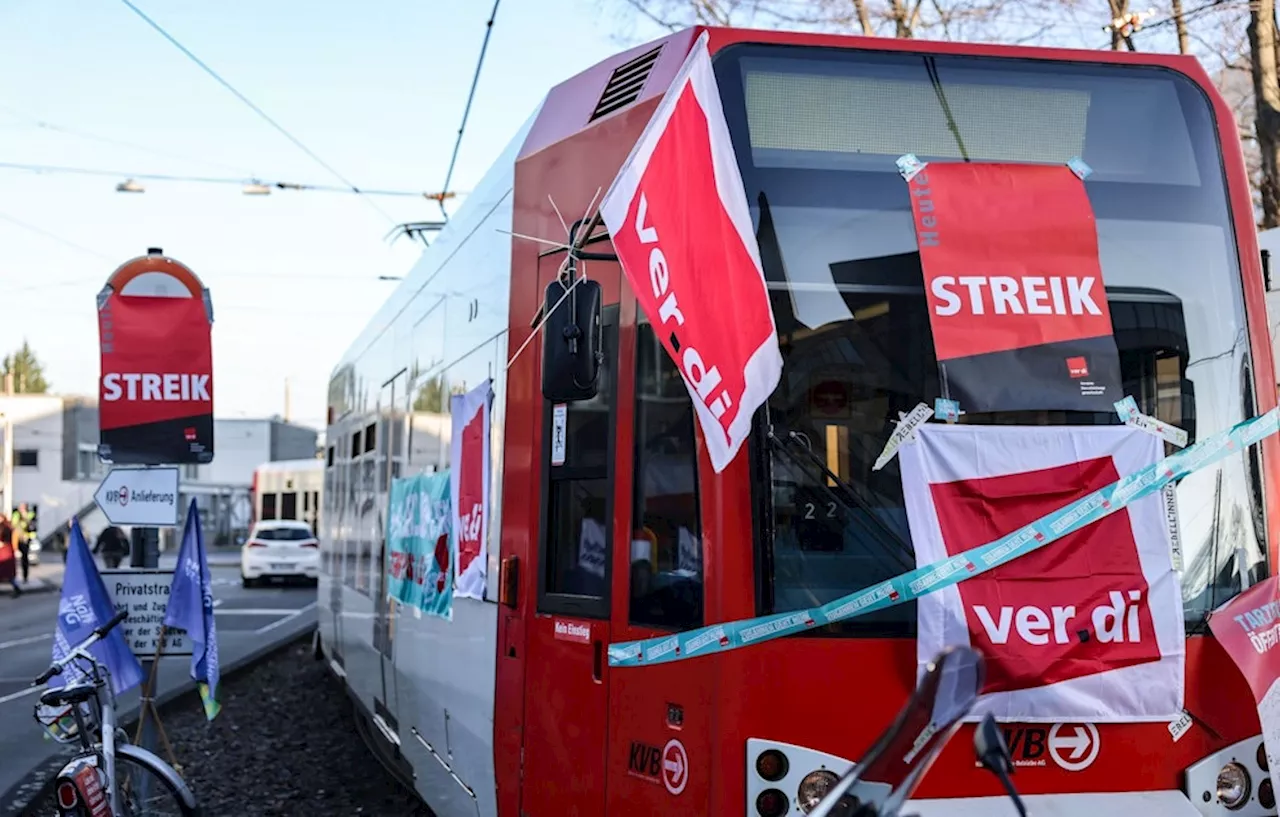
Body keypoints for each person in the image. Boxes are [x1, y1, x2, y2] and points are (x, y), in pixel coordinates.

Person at [12, 503, 33, 583]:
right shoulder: (16, 514)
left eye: (23, 507)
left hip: (25, 539)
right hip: (17, 539)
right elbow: (14, 524)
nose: (22, 508)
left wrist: (25, 517)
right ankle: (14, 576)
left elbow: (31, 525)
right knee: (14, 559)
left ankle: (25, 576)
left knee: (25, 559)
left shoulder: (29, 514)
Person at [0, 514, 19, 596]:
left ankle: (16, 588)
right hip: (3, 551)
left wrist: (3, 543)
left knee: (7, 572)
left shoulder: (6, 527)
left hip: (5, 551)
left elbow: (8, 538)